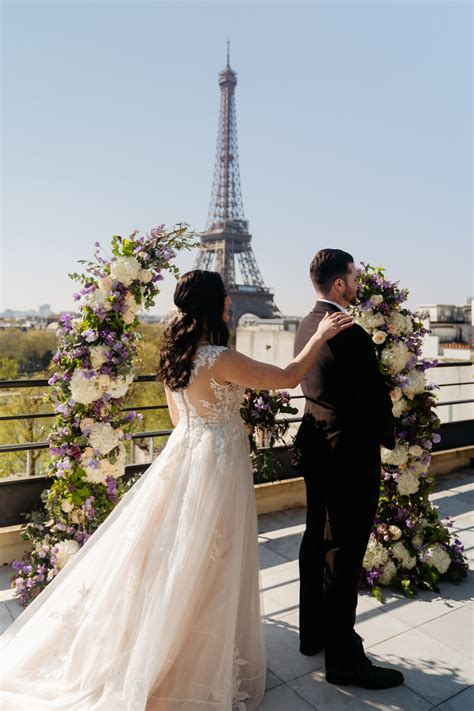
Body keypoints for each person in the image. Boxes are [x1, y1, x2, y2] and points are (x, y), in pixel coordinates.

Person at [0, 269, 352, 710]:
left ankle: (174, 642)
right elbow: (286, 376)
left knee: (179, 555)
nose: (229, 302)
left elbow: (176, 419)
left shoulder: (175, 357)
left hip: (185, 452)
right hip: (218, 463)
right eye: (224, 297)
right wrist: (318, 336)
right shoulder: (218, 356)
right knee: (214, 558)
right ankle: (195, 654)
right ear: (211, 304)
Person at [294, 248, 404, 690]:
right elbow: (372, 400)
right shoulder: (351, 333)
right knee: (345, 551)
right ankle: (343, 659)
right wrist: (390, 432)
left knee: (314, 539)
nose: (357, 284)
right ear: (339, 284)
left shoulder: (306, 325)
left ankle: (312, 634)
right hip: (349, 457)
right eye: (353, 278)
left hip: (316, 448)